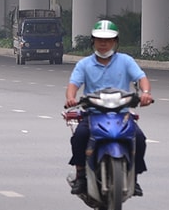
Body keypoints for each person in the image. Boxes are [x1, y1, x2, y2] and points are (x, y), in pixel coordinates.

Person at [65, 20, 153, 196]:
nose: (103, 44)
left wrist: (145, 93)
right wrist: (71, 98)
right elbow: (73, 85)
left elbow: (141, 78)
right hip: (93, 114)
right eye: (99, 40)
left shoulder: (126, 61)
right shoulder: (84, 64)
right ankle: (81, 175)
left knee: (139, 138)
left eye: (108, 40)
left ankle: (134, 178)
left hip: (122, 114)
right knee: (79, 137)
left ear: (115, 41)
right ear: (93, 41)